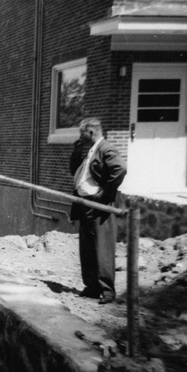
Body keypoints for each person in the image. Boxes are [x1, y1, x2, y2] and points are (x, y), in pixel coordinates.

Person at [69, 118, 127, 304]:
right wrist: (77, 152)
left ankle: (107, 290)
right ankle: (92, 286)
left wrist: (105, 193)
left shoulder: (105, 149)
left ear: (91, 132)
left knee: (102, 247)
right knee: (87, 247)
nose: (80, 137)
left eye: (82, 133)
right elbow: (75, 171)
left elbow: (120, 169)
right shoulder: (90, 151)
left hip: (99, 206)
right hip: (85, 203)